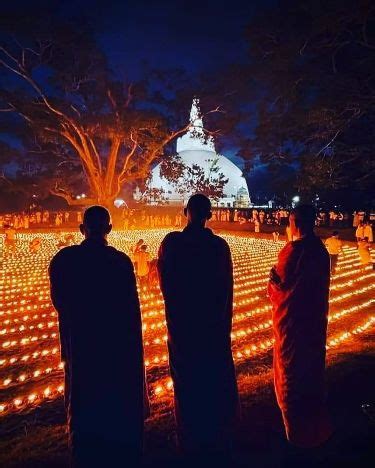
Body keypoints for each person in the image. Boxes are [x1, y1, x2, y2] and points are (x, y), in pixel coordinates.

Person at [49, 206, 148, 468]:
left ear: (82, 230)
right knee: (113, 399)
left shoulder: (64, 261)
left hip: (81, 345)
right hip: (115, 347)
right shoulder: (120, 262)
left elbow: (60, 302)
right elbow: (130, 311)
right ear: (109, 229)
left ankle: (85, 451)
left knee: (83, 400)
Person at [158, 194, 239, 466]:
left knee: (186, 379)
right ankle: (215, 432)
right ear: (211, 214)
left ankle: (188, 436)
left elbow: (165, 282)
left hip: (184, 325)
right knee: (212, 377)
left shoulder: (173, 243)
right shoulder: (218, 247)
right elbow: (226, 288)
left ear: (185, 212)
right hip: (213, 325)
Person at [268, 205, 333, 460]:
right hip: (314, 324)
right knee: (312, 371)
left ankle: (298, 438)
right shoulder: (320, 251)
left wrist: (272, 283)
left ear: (294, 223)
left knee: (292, 375)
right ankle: (317, 430)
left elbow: (281, 288)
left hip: (293, 326)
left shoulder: (293, 251)